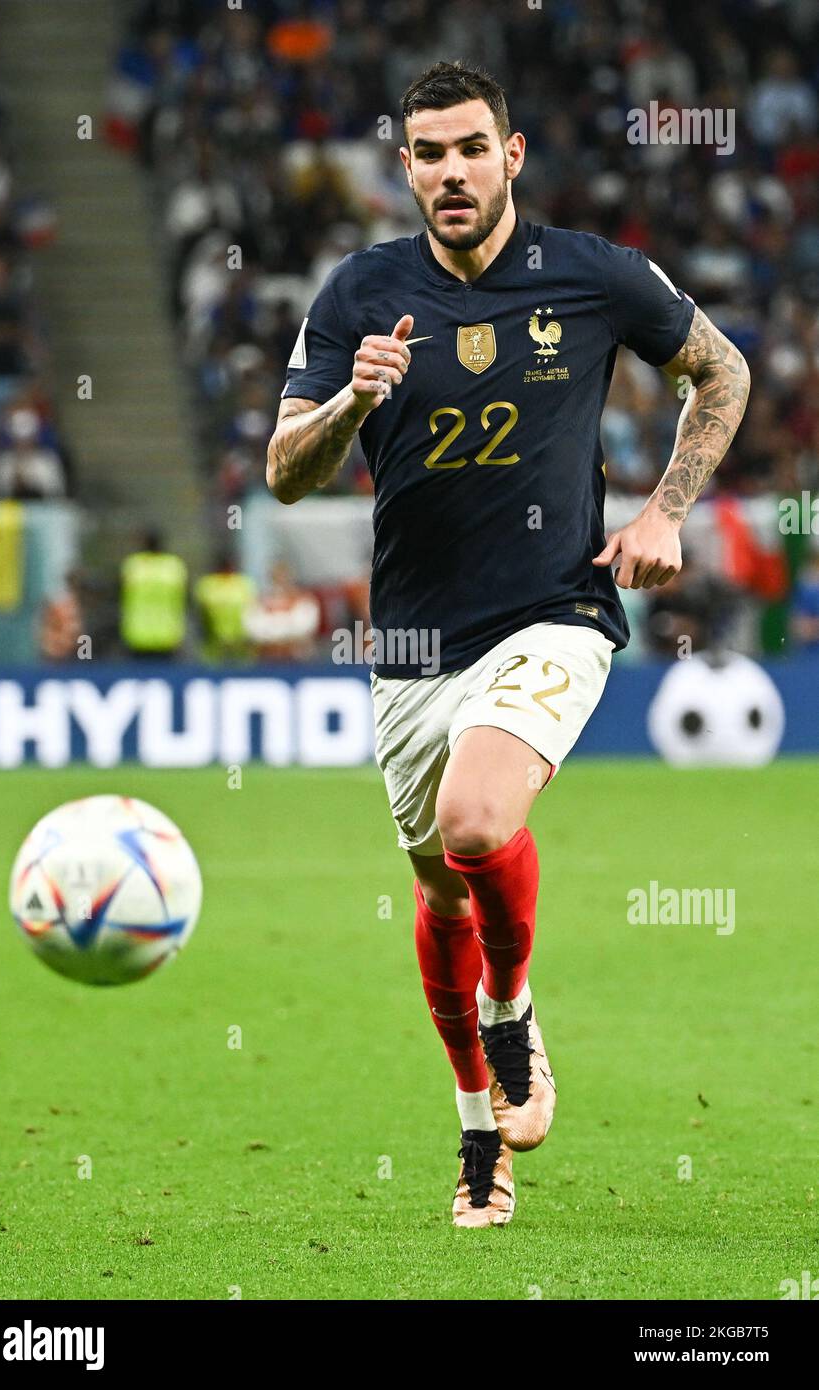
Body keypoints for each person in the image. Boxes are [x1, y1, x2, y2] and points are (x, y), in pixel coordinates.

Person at [266, 62, 751, 1227]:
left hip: (553, 608)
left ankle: (513, 1001)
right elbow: (286, 475)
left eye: (468, 149)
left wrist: (665, 510)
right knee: (437, 895)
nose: (449, 173)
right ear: (404, 169)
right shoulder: (355, 294)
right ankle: (480, 1131)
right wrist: (348, 403)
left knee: (480, 822)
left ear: (511, 154)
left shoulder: (591, 275)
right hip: (414, 640)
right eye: (426, 154)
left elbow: (719, 369)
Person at [119, 529, 187, 659]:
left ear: (144, 544)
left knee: (139, 676)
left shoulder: (133, 565)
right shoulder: (174, 566)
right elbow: (186, 599)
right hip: (168, 635)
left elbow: (117, 595)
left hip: (137, 634)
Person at [193, 551, 257, 663]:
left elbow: (253, 612)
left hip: (240, 642)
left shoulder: (244, 584)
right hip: (214, 642)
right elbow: (201, 613)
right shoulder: (208, 584)